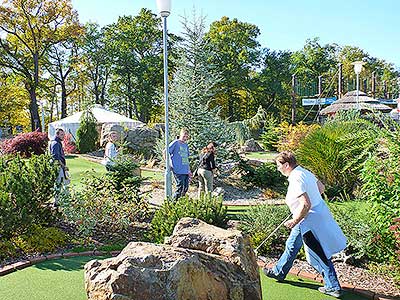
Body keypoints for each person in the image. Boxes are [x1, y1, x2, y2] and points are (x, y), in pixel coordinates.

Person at [263, 151, 347, 298]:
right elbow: (321, 189)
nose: (278, 169)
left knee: (317, 252)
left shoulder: (295, 178)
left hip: (308, 221)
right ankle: (279, 271)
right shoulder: (305, 172)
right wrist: (300, 208)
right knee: (291, 245)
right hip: (312, 216)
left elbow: (306, 204)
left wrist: (295, 219)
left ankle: (333, 286)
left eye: (279, 166)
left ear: (286, 165)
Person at [168, 128, 191, 200]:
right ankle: (173, 203)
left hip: (185, 170)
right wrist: (168, 164)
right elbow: (165, 151)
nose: (185, 138)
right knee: (180, 187)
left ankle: (181, 202)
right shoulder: (175, 143)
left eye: (187, 137)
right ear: (181, 135)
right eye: (184, 136)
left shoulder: (186, 145)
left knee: (185, 188)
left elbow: (186, 158)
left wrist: (189, 170)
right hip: (178, 170)